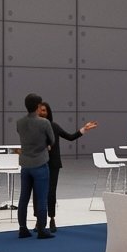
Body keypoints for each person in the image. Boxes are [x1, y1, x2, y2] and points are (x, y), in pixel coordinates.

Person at [36, 101, 97, 232]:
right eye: (40, 110)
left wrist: (84, 129)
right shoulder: (34, 127)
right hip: (39, 163)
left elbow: (70, 137)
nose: (42, 113)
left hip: (53, 164)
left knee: (51, 192)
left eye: (44, 110)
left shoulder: (54, 126)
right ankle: (39, 220)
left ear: (48, 112)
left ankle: (52, 218)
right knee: (39, 192)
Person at [15, 93, 56, 239]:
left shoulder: (19, 122)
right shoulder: (44, 123)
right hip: (40, 163)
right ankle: (42, 229)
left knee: (23, 198)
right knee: (41, 198)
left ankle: (22, 228)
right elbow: (52, 140)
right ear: (38, 106)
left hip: (25, 164)